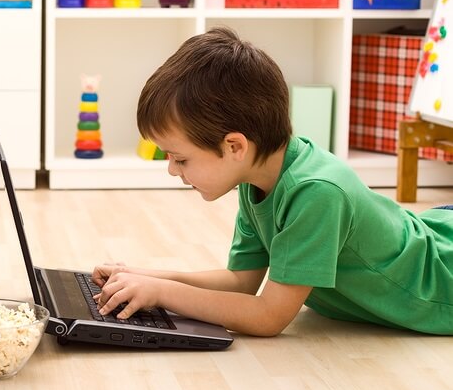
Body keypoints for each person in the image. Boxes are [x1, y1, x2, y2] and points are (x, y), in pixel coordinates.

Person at [92, 27, 453, 337]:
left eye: (180, 158)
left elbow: (270, 316)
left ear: (235, 146)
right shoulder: (257, 178)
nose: (172, 170)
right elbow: (242, 283)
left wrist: (161, 294)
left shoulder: (317, 192)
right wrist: (144, 279)